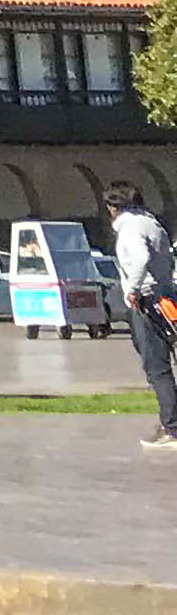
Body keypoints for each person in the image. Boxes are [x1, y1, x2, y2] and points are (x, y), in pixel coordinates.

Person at [112, 186, 177, 448]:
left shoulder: (129, 228)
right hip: (165, 295)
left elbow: (140, 257)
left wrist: (134, 290)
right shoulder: (153, 224)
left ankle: (171, 427)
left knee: (156, 366)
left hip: (147, 300)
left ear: (114, 208)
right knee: (164, 362)